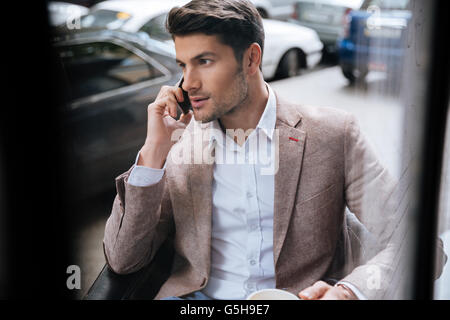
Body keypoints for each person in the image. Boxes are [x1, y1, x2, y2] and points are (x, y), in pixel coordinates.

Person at [102, 0, 432, 300]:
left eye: (204, 61)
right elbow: (123, 258)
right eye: (183, 65)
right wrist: (154, 150)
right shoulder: (177, 144)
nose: (188, 83)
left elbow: (422, 245)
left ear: (251, 59)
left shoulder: (334, 134)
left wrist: (349, 291)